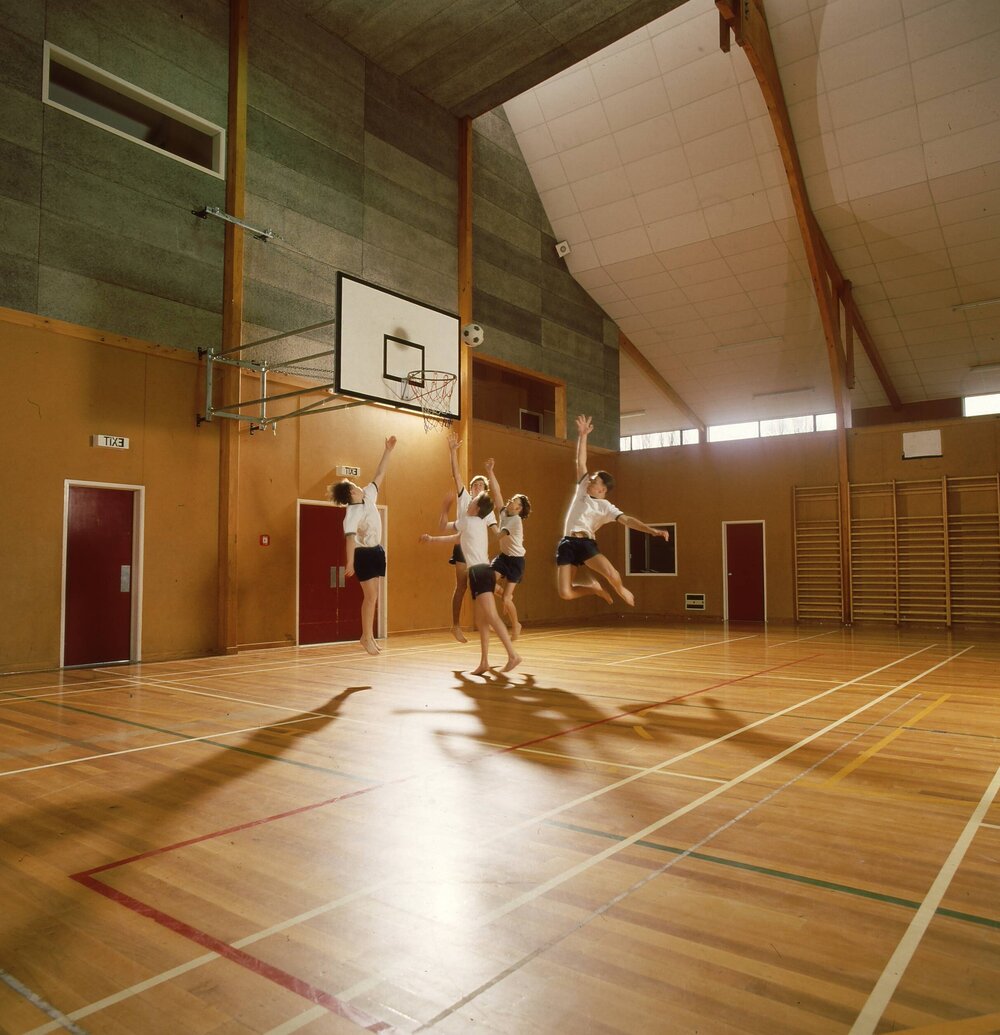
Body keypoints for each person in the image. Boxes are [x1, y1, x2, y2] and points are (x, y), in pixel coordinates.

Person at [420, 433, 521, 675]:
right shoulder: (469, 520)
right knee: (482, 620)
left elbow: (450, 524)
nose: (469, 500)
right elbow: (451, 534)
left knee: (492, 618)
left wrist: (444, 509)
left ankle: (513, 654)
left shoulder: (476, 518)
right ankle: (485, 661)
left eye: (474, 500)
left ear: (476, 507)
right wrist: (433, 537)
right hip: (479, 572)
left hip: (481, 571)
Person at [556, 414, 669, 606]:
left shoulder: (606, 507)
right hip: (567, 543)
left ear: (602, 489)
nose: (589, 480)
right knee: (565, 593)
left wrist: (652, 530)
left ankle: (620, 589)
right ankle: (594, 589)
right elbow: (580, 462)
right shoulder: (582, 489)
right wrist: (583, 436)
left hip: (586, 544)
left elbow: (628, 521)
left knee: (611, 573)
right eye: (590, 478)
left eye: (594, 480)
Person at [328, 435, 396, 655]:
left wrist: (388, 450)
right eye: (354, 486)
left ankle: (368, 636)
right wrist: (350, 562)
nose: (358, 485)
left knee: (374, 595)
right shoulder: (351, 513)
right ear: (350, 494)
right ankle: (365, 636)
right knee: (370, 596)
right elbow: (349, 538)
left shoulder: (369, 496)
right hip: (363, 555)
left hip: (377, 550)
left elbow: (380, 473)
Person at [444, 473, 496, 642]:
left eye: (481, 485)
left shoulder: (487, 510)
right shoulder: (465, 498)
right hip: (462, 548)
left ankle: (487, 618)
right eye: (475, 484)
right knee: (461, 586)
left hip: (478, 553)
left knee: (485, 587)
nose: (477, 487)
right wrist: (453, 452)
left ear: (485, 490)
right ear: (471, 488)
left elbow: (495, 529)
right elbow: (456, 475)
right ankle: (456, 625)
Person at [483, 457, 530, 640]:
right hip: (503, 557)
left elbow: (497, 536)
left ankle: (516, 624)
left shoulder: (516, 521)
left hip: (516, 561)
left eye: (518, 507)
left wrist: (489, 518)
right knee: (488, 582)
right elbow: (496, 492)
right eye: (514, 502)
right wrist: (490, 471)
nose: (514, 506)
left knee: (506, 599)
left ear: (520, 512)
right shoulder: (504, 511)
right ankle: (499, 603)